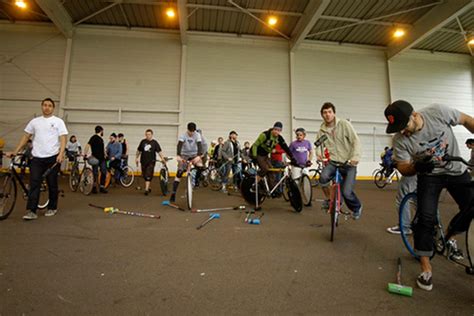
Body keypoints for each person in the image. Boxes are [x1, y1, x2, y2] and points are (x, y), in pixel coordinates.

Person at [384, 100, 474, 291]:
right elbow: (402, 167)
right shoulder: (400, 140)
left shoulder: (438, 112)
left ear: (414, 115)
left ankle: (450, 235)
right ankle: (426, 268)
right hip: (429, 176)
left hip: (456, 170)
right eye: (398, 129)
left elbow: (466, 120)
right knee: (425, 218)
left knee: (471, 208)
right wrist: (416, 167)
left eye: (405, 126)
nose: (403, 133)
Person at [7, 98, 68, 220]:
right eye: (45, 105)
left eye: (49, 105)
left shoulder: (58, 122)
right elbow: (26, 137)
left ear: (53, 108)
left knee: (52, 184)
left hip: (53, 158)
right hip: (37, 158)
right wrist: (16, 151)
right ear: (41, 106)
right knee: (34, 183)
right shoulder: (34, 122)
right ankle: (32, 210)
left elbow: (63, 138)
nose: (47, 107)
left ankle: (52, 207)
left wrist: (61, 154)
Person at [316, 102, 363, 220]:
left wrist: (355, 157)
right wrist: (319, 154)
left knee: (347, 192)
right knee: (323, 178)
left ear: (334, 113)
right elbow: (318, 145)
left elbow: (355, 141)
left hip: (348, 163)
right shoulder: (322, 130)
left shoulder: (344, 125)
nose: (327, 115)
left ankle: (356, 207)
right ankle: (329, 199)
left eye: (329, 112)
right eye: (324, 112)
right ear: (322, 115)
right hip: (333, 162)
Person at [251, 122, 296, 191]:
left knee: (271, 170)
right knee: (265, 169)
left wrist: (292, 157)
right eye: (275, 129)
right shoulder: (265, 135)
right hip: (257, 154)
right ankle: (254, 184)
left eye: (279, 130)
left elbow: (285, 148)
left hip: (265, 155)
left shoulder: (279, 138)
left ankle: (271, 189)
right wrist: (254, 156)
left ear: (280, 131)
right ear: (273, 129)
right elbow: (255, 145)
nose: (276, 132)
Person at [169, 122, 204, 203]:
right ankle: (173, 193)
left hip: (194, 154)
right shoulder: (183, 135)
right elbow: (179, 145)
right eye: (190, 131)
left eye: (193, 131)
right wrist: (178, 155)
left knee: (200, 166)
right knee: (179, 172)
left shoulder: (197, 135)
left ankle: (197, 182)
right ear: (187, 130)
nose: (191, 133)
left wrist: (198, 156)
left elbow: (199, 146)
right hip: (184, 155)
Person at [136, 129, 166, 195]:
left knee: (148, 174)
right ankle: (148, 186)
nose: (148, 136)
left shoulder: (154, 143)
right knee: (144, 175)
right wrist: (136, 158)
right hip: (143, 161)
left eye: (149, 134)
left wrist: (162, 158)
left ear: (152, 135)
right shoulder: (143, 142)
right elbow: (139, 150)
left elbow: (159, 151)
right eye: (146, 134)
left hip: (151, 161)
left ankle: (146, 189)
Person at [84, 126, 108, 194]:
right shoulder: (93, 137)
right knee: (95, 173)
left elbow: (102, 149)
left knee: (104, 171)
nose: (103, 132)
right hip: (95, 158)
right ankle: (94, 187)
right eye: (103, 131)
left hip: (102, 159)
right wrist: (85, 154)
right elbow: (87, 145)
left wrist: (105, 154)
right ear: (101, 131)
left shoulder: (101, 139)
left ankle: (102, 187)